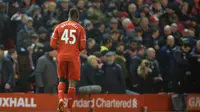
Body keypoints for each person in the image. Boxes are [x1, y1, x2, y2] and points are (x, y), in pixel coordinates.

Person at [50, 8, 86, 112]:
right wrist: (74, 49)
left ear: (68, 16)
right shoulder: (80, 28)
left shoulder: (59, 26)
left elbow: (52, 44)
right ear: (77, 17)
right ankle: (69, 108)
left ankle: (61, 99)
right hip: (73, 57)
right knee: (72, 83)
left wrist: (61, 49)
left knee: (61, 79)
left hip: (61, 56)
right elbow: (83, 46)